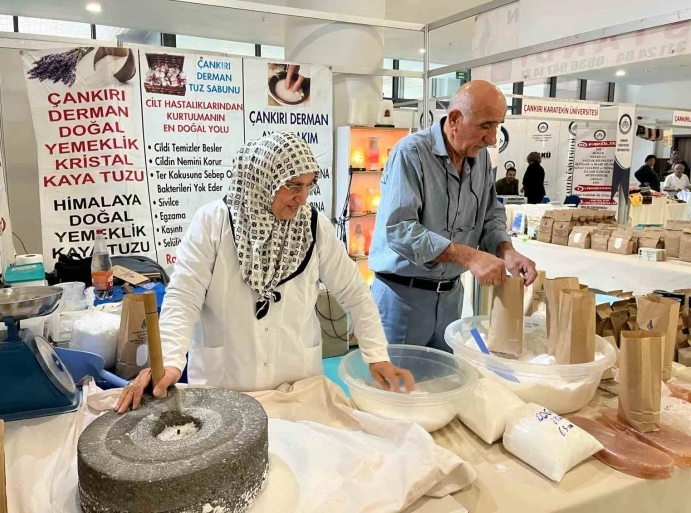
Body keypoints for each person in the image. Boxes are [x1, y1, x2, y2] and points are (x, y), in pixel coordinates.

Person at [116, 132, 413, 413]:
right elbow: (184, 297)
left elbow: (355, 293)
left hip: (295, 384)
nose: (302, 198)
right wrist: (168, 360)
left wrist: (377, 355)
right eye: (293, 186)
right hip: (227, 384)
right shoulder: (213, 223)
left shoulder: (312, 226)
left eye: (308, 186)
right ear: (261, 181)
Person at [368, 80, 538, 352]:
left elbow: (490, 215)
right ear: (456, 118)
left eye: (498, 126)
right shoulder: (410, 154)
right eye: (486, 126)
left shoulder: (480, 158)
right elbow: (400, 229)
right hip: (401, 300)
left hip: (450, 299)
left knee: (441, 386)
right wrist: (470, 256)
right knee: (395, 390)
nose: (493, 139)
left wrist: (506, 251)